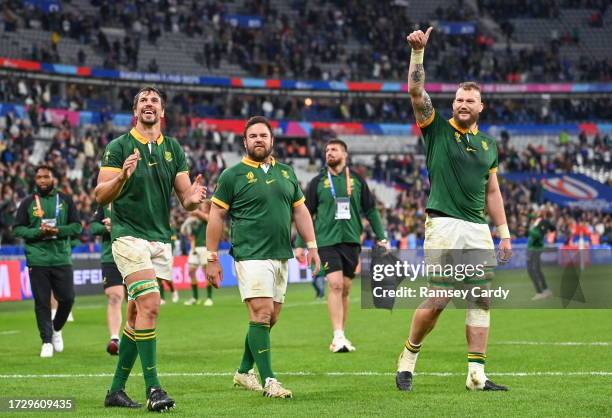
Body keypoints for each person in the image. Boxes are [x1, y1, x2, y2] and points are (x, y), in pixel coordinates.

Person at [395, 27, 512, 392]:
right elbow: (416, 92)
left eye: (469, 101)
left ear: (481, 107)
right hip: (444, 224)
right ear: (453, 104)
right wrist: (418, 54)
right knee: (440, 296)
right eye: (459, 99)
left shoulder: (489, 145)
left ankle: (476, 375)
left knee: (481, 296)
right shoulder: (436, 129)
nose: (463, 104)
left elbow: (493, 191)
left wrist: (504, 233)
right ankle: (408, 358)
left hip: (478, 228)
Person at [95, 86, 206, 411]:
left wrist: (194, 196)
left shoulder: (173, 148)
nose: (149, 104)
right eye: (143, 100)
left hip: (160, 239)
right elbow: (101, 195)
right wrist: (122, 178)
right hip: (128, 236)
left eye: (154, 100)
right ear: (135, 111)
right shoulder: (119, 147)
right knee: (150, 303)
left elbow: (184, 199)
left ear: (162, 112)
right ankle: (154, 388)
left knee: (136, 313)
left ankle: (115, 391)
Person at [206, 116, 320, 399]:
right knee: (262, 313)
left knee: (270, 319)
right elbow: (216, 215)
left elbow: (300, 211)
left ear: (272, 141)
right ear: (244, 142)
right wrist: (211, 257)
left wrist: (312, 245)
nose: (258, 139)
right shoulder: (231, 175)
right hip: (250, 252)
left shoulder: (286, 172)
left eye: (263, 135)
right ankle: (270, 380)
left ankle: (244, 371)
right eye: (253, 136)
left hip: (282, 253)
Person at [296, 139, 388, 353]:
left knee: (345, 289)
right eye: (327, 150)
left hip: (351, 241)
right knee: (335, 284)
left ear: (345, 154)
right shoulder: (317, 182)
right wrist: (301, 244)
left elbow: (370, 210)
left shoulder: (357, 180)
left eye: (334, 149)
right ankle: (337, 336)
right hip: (326, 241)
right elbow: (305, 213)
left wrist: (381, 236)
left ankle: (341, 334)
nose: (329, 152)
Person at [13, 165, 82, 358]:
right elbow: (17, 229)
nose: (42, 180)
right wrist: (38, 232)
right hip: (38, 258)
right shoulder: (28, 202)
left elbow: (77, 227)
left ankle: (56, 329)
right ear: (35, 180)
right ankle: (46, 341)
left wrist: (57, 231)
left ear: (53, 178)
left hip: (61, 257)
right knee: (42, 301)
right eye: (39, 177)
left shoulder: (66, 200)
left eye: (46, 177)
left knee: (68, 298)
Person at [90, 203, 125, 355]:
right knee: (115, 297)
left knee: (137, 300)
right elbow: (93, 228)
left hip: (135, 256)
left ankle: (136, 338)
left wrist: (117, 224)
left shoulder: (136, 195)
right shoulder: (104, 204)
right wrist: (106, 228)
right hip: (111, 257)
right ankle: (115, 339)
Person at [184, 199, 213, 306]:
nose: (202, 207)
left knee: (207, 273)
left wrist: (196, 212)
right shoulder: (196, 219)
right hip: (195, 248)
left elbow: (207, 218)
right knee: (191, 271)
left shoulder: (210, 216)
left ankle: (209, 298)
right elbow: (190, 233)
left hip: (206, 247)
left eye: (204, 205)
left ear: (208, 207)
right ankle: (195, 298)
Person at [527, 209, 556, 300]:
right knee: (535, 269)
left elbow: (539, 235)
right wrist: (525, 214)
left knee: (532, 269)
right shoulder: (539, 221)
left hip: (535, 248)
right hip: (532, 248)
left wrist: (529, 230)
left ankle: (540, 292)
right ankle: (545, 290)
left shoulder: (544, 222)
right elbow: (532, 216)